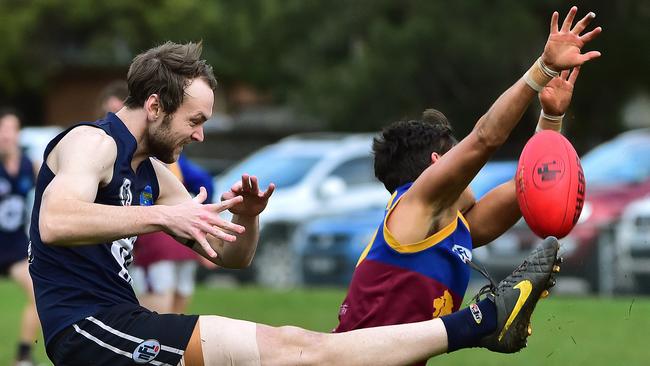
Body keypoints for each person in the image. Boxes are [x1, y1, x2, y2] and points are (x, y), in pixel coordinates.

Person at [29, 6, 600, 365]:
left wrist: (246, 220)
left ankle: (481, 323)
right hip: (88, 330)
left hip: (119, 321)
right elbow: (56, 221)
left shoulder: (150, 173)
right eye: (195, 122)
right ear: (154, 105)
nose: (201, 137)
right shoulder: (91, 143)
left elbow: (231, 257)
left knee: (288, 347)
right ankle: (480, 322)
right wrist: (164, 217)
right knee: (297, 351)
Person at [334, 58, 584, 353]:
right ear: (440, 164)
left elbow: (531, 183)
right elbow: (484, 138)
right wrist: (543, 68)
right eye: (456, 155)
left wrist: (551, 116)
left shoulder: (451, 230)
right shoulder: (414, 204)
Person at [97, 79, 215, 314]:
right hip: (153, 243)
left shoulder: (162, 152)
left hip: (175, 240)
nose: (198, 135)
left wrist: (204, 219)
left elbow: (203, 182)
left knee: (177, 304)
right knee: (158, 306)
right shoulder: (102, 147)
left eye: (116, 107)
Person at [0, 108, 40, 366]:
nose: (6, 135)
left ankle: (23, 356)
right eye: (1, 129)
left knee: (38, 291)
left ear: (18, 133)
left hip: (14, 246)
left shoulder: (31, 165)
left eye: (10, 129)